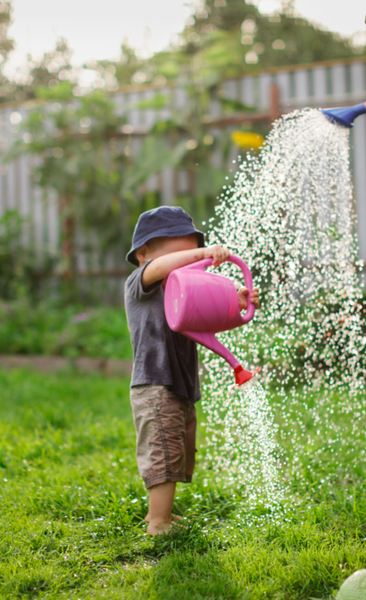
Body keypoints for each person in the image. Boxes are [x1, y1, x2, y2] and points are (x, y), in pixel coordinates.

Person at [125, 206, 260, 534]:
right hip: (156, 383)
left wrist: (236, 302)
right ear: (144, 254)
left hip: (181, 384)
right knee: (164, 451)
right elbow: (162, 267)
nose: (189, 260)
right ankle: (158, 523)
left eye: (193, 251)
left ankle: (162, 515)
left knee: (179, 450)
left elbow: (210, 325)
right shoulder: (141, 284)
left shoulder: (185, 291)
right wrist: (201, 252)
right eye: (181, 253)